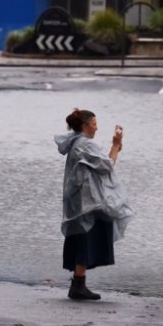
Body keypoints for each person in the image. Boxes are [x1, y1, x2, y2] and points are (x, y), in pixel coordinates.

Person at [55, 109, 135, 300]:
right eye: (94, 124)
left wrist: (116, 147)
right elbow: (107, 165)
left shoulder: (76, 142)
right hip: (87, 201)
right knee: (86, 237)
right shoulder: (85, 144)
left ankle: (79, 283)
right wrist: (115, 145)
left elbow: (101, 164)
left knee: (84, 236)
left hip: (82, 199)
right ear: (84, 126)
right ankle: (78, 285)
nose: (96, 128)